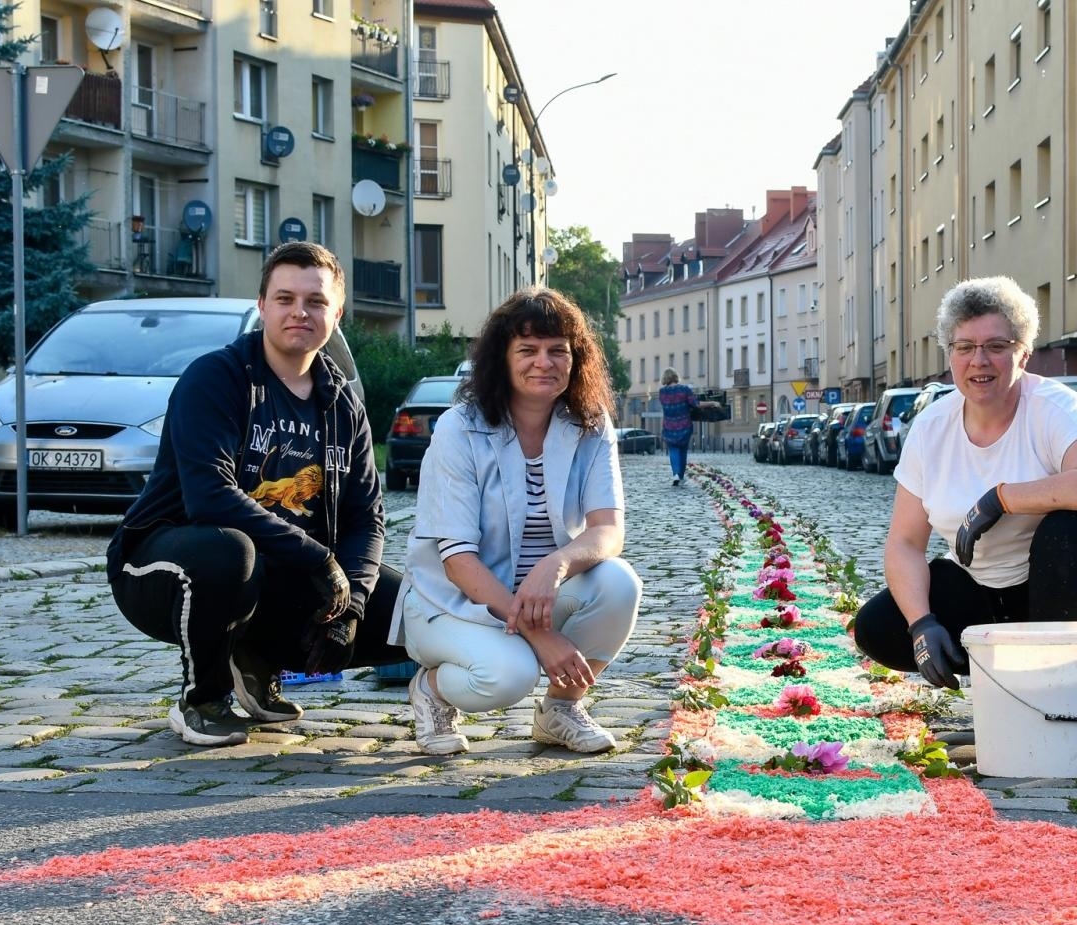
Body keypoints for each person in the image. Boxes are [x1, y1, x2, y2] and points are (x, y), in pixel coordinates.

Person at [107, 241, 406, 747]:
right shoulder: (216, 378)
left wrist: (351, 607)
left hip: (277, 570)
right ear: (262, 306)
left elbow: (366, 518)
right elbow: (209, 497)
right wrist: (317, 558)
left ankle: (254, 657)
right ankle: (202, 698)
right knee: (231, 553)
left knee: (410, 610)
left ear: (337, 312)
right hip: (162, 564)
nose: (300, 312)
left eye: (315, 301)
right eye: (285, 298)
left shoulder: (343, 406)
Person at [852, 276, 1077, 688]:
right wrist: (921, 625)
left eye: (996, 346)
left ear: (1023, 354)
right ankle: (1009, 677)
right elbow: (904, 542)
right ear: (950, 354)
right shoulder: (931, 428)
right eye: (965, 347)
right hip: (990, 587)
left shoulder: (1054, 407)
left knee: (1066, 528)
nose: (980, 360)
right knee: (878, 626)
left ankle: (1064, 687)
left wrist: (1001, 499)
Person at [392, 287, 642, 756]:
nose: (543, 362)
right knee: (507, 676)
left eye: (557, 351)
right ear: (502, 360)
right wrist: (541, 638)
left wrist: (557, 564)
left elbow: (608, 529)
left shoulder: (590, 423)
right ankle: (432, 690)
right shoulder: (458, 428)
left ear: (576, 359)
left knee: (618, 584)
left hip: (538, 593)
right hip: (452, 601)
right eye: (527, 350)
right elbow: (458, 562)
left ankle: (560, 711)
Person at [657, 368, 699, 485]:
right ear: (676, 376)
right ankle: (680, 475)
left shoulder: (662, 392)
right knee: (683, 450)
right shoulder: (685, 390)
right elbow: (695, 404)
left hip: (669, 426)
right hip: (684, 425)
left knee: (673, 450)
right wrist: (712, 403)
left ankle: (675, 474)